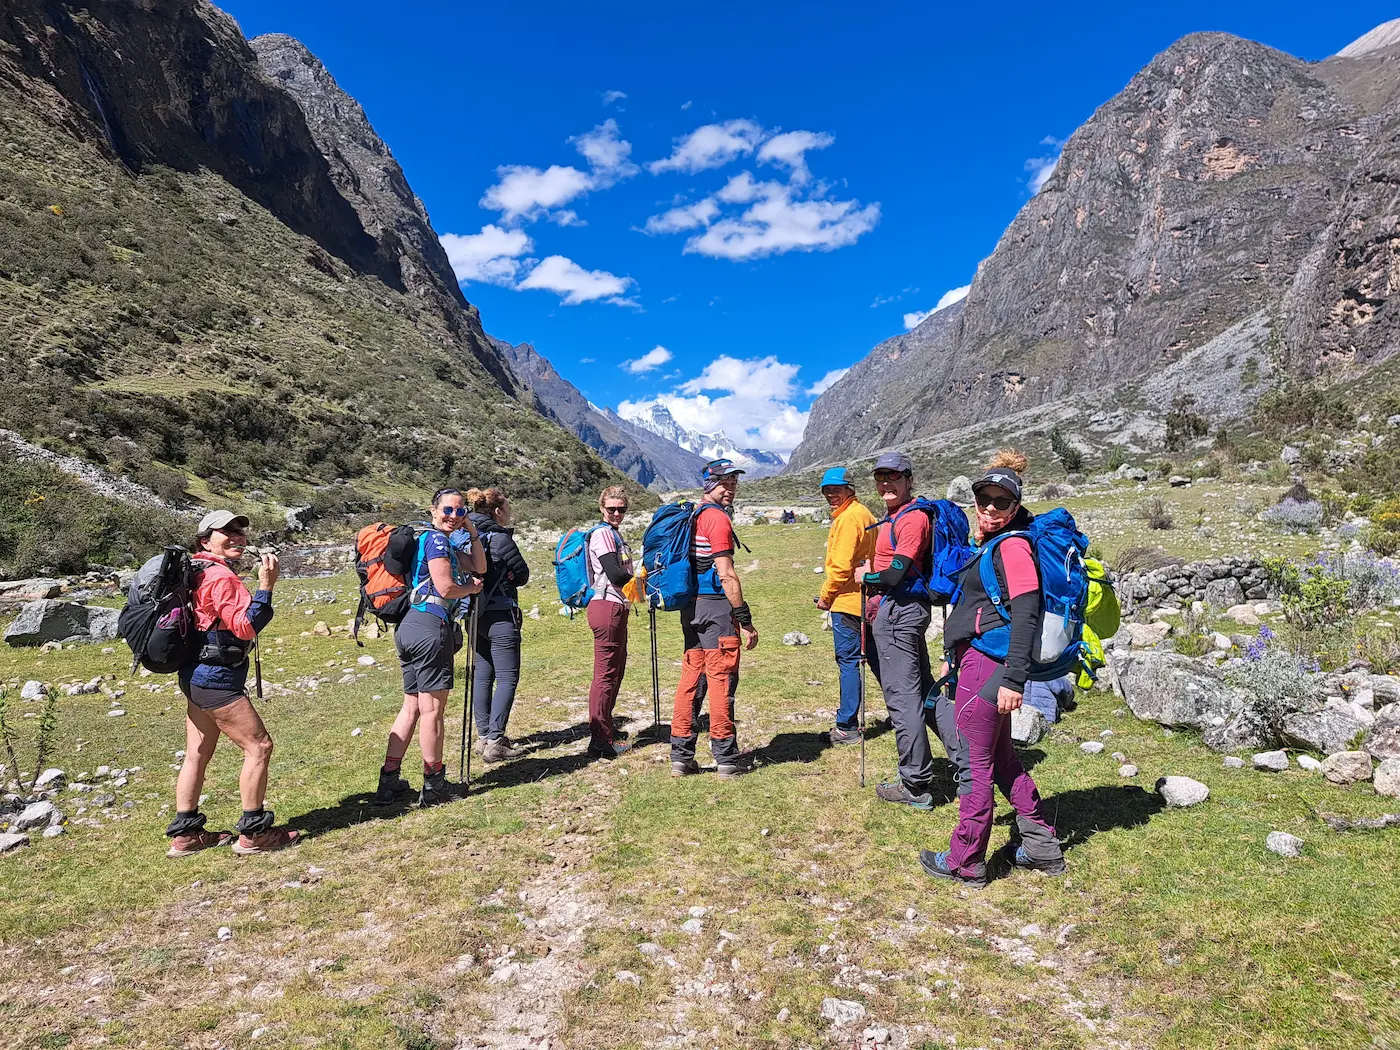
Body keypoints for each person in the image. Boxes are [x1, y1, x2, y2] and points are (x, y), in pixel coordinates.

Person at [921, 451, 1066, 887]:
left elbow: (1026, 614)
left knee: (974, 765)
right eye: (983, 498)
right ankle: (1041, 846)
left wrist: (1014, 679)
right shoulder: (997, 543)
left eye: (1001, 502)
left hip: (990, 668)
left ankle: (965, 860)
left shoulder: (1013, 547)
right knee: (1001, 759)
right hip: (984, 664)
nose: (989, 508)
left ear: (1015, 506)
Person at [166, 510, 298, 857]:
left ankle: (186, 835)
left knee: (197, 753)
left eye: (240, 531)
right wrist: (266, 586)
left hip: (194, 675)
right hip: (217, 679)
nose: (237, 537)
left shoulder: (195, 570)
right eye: (226, 532)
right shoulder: (221, 577)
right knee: (259, 747)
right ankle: (254, 833)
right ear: (205, 541)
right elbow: (245, 627)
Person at [376, 488, 485, 807]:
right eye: (448, 510)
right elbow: (447, 587)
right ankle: (434, 783)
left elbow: (479, 565)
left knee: (411, 706)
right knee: (432, 711)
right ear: (433, 510)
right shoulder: (437, 541)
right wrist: (470, 590)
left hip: (409, 626)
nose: (454, 516)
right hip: (430, 626)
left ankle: (389, 780)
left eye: (460, 511)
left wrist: (471, 531)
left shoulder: (432, 540)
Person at [857, 452, 940, 809]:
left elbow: (895, 574)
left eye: (894, 476)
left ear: (909, 480)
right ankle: (968, 762)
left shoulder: (912, 519)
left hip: (900, 613)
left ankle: (915, 784)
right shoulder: (900, 515)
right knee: (924, 690)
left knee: (903, 699)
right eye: (881, 477)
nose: (886, 483)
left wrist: (868, 576)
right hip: (902, 611)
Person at [671, 459, 758, 779]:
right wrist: (745, 619)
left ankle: (681, 756)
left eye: (734, 482)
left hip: (691, 608)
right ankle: (726, 758)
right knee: (722, 680)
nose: (730, 488)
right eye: (724, 483)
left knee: (691, 678)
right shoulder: (716, 519)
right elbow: (727, 574)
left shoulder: (693, 515)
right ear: (709, 484)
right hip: (716, 609)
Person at [466, 488, 530, 764]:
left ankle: (483, 737)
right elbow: (523, 575)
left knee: (482, 675)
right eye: (507, 508)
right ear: (497, 511)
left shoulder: (463, 534)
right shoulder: (500, 538)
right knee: (507, 678)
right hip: (501, 614)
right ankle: (495, 741)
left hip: (473, 614)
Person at [814, 468, 876, 745]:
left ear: (849, 489)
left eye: (836, 489)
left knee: (849, 661)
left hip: (849, 602)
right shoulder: (863, 513)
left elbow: (840, 568)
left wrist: (826, 597)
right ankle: (905, 713)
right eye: (826, 490)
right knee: (876, 660)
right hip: (867, 600)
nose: (831, 494)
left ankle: (847, 726)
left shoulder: (849, 518)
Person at [585, 485, 636, 759]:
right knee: (606, 674)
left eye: (621, 509)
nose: (616, 513)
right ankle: (600, 740)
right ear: (601, 508)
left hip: (614, 607)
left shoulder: (614, 533)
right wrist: (640, 579)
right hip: (607, 607)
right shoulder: (604, 534)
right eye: (611, 509)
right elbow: (615, 575)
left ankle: (605, 729)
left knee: (615, 670)